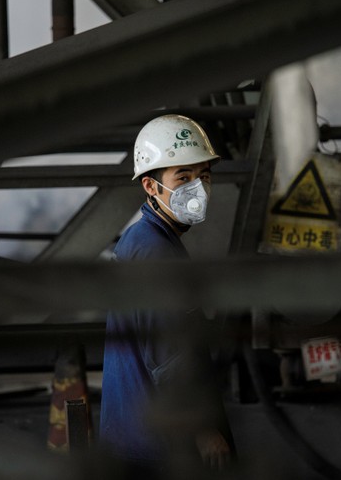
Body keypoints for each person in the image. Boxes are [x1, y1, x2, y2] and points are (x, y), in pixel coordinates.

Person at [99, 114, 234, 471]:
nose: (198, 188)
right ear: (151, 186)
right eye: (183, 177)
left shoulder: (150, 239)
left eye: (204, 176)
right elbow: (166, 355)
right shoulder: (153, 251)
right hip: (156, 445)